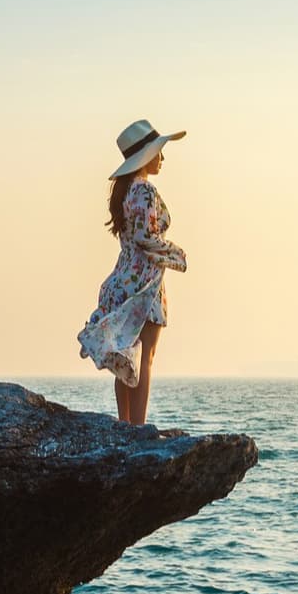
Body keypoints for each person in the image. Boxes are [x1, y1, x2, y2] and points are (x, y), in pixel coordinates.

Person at [76, 119, 188, 426]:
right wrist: (176, 254)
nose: (162, 158)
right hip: (143, 282)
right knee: (145, 357)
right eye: (159, 151)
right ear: (146, 155)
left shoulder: (125, 191)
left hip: (122, 278)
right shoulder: (145, 190)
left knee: (127, 356)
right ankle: (138, 428)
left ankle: (125, 424)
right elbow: (144, 237)